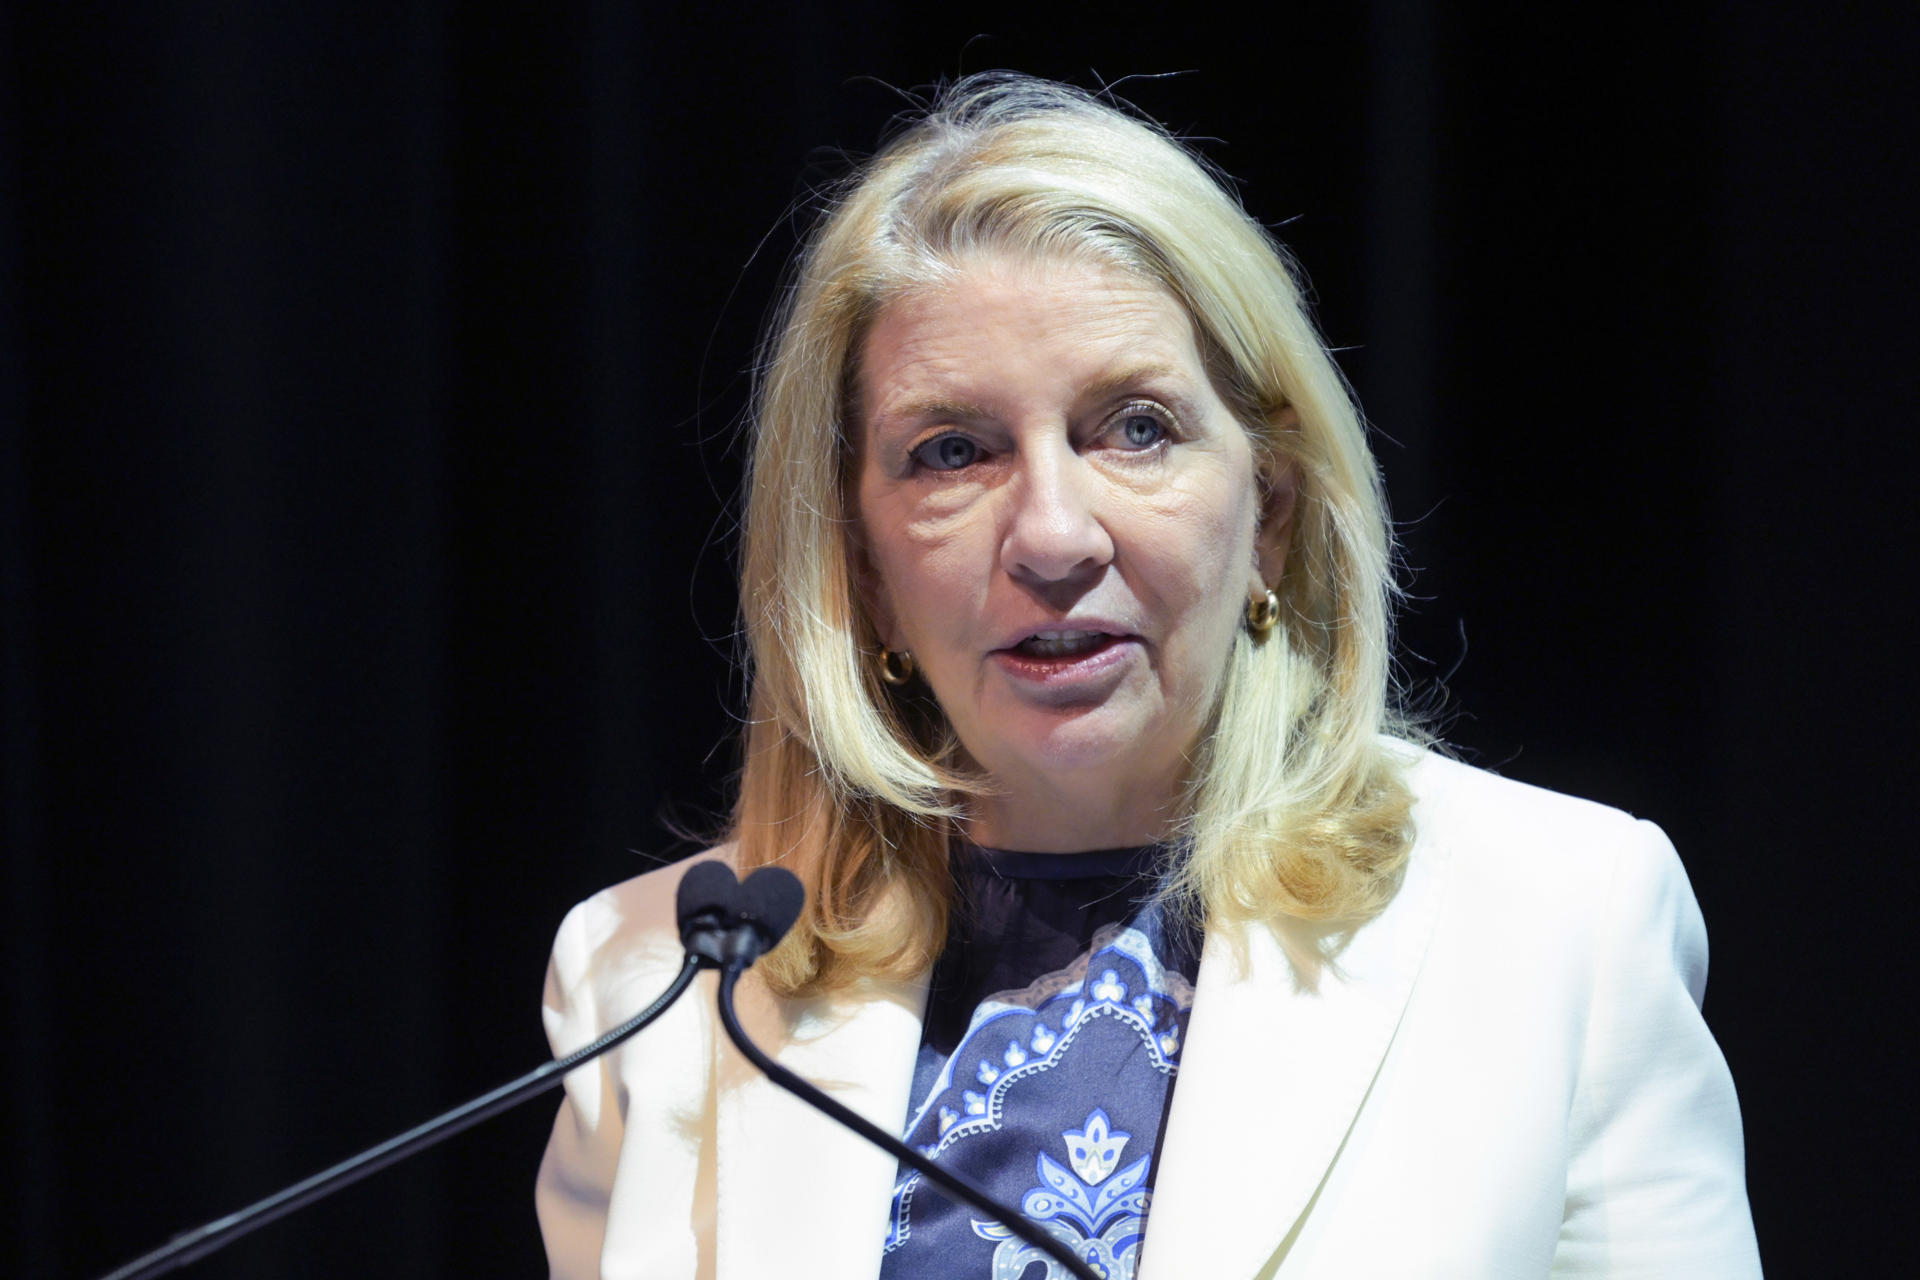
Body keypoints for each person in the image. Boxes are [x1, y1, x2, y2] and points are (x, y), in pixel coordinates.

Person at [535, 74, 1760, 1279]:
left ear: (1270, 511)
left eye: (1135, 428)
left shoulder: (1558, 920)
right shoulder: (649, 984)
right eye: (952, 451)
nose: (1055, 534)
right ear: (857, 563)